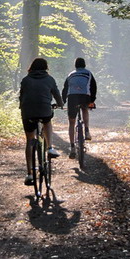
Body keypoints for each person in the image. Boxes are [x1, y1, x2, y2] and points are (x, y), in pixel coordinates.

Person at [19, 57, 63, 186]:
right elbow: (56, 94)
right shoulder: (49, 79)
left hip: (28, 112)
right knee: (47, 121)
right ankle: (49, 148)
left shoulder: (26, 80)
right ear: (46, 68)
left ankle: (29, 174)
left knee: (30, 141)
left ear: (31, 67)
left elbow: (22, 96)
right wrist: (60, 104)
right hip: (44, 110)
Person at [62, 57, 97, 159]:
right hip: (84, 96)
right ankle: (86, 131)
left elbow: (65, 89)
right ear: (84, 65)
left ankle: (72, 147)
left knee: (71, 122)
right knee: (85, 109)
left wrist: (63, 101)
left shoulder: (70, 74)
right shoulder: (88, 73)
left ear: (75, 65)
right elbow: (93, 87)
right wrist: (92, 100)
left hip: (72, 98)